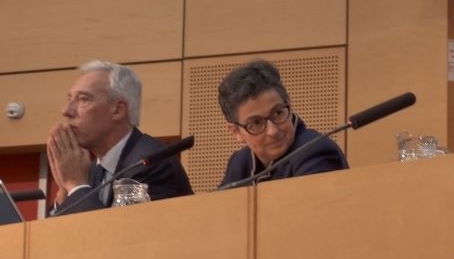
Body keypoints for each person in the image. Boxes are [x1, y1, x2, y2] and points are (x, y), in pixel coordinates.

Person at [46, 60, 193, 215]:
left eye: (83, 99)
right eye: (70, 99)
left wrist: (76, 186)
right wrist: (64, 192)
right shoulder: (89, 170)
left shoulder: (149, 164)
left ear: (117, 110)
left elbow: (121, 235)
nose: (66, 111)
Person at [218, 60, 347, 187]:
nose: (273, 131)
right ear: (235, 131)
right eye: (256, 123)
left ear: (288, 104)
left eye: (278, 113)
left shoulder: (315, 151)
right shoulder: (239, 164)